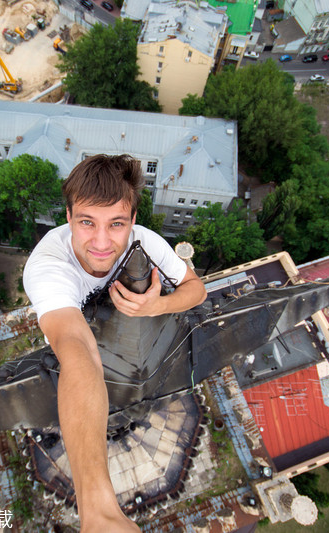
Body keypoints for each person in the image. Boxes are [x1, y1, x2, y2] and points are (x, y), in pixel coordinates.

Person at [23, 154, 207, 531]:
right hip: (83, 365)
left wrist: (159, 304)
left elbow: (197, 290)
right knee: (80, 358)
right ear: (69, 217)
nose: (103, 243)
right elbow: (77, 348)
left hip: (129, 353)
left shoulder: (145, 242)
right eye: (88, 222)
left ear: (133, 222)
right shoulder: (48, 267)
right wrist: (99, 512)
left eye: (117, 224)